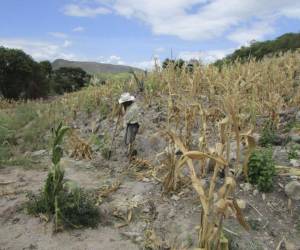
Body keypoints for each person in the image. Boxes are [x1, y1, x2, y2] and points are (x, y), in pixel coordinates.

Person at [118, 93, 141, 158]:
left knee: (131, 139)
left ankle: (131, 153)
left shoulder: (132, 109)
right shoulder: (129, 105)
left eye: (123, 103)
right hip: (131, 123)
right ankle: (130, 151)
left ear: (127, 102)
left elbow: (127, 119)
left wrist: (123, 122)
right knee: (128, 138)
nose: (122, 104)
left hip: (133, 124)